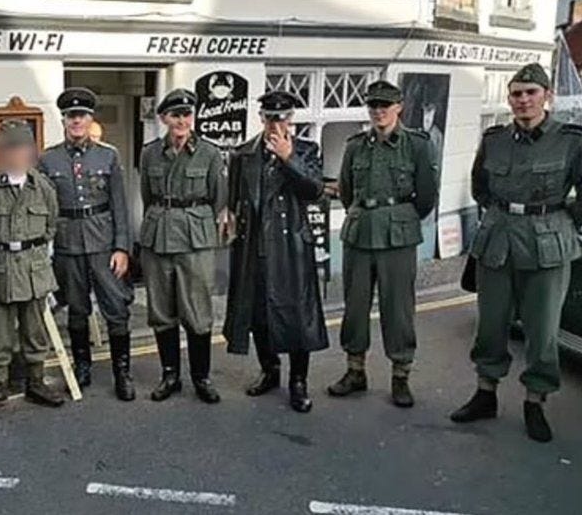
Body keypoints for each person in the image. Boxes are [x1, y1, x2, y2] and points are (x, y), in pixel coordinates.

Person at [450, 63, 582, 443]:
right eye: (516, 94)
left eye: (531, 93)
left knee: (542, 330)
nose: (523, 100)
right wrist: (503, 215)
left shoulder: (571, 140)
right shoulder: (494, 139)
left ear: (547, 97)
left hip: (548, 243)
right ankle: (485, 393)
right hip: (499, 239)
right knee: (491, 323)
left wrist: (561, 220)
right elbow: (481, 187)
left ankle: (535, 401)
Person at [328, 80, 438, 408]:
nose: (378, 111)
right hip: (360, 233)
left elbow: (426, 196)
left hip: (398, 236)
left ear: (399, 107)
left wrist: (398, 219)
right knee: (355, 306)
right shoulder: (355, 146)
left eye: (384, 105)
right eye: (373, 105)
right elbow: (346, 191)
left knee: (398, 308)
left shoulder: (417, 145)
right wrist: (364, 215)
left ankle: (401, 375)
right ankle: (355, 371)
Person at [222, 91, 329, 413]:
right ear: (261, 119)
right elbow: (235, 196)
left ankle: (299, 381)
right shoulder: (243, 153)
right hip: (254, 244)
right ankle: (270, 370)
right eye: (270, 117)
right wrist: (228, 215)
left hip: (291, 246)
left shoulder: (307, 149)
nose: (275, 124)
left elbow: (314, 190)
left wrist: (287, 157)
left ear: (291, 119)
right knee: (257, 314)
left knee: (296, 315)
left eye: (282, 118)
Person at [39, 88, 135, 401]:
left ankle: (123, 371)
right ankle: (83, 366)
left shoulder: (108, 155)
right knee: (77, 309)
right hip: (67, 244)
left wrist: (122, 247)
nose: (76, 121)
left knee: (116, 307)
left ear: (90, 119)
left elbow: (120, 205)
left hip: (104, 244)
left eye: (81, 116)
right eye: (70, 116)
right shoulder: (48, 159)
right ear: (64, 120)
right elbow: (43, 207)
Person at [140, 88, 227, 404]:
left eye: (187, 115)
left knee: (197, 312)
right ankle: (170, 375)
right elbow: (147, 197)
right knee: (161, 311)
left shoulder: (210, 153)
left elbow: (219, 199)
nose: (181, 121)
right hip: (158, 238)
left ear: (194, 118)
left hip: (195, 241)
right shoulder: (149, 153)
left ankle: (201, 377)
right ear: (164, 118)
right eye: (175, 115)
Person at [0, 120, 65, 411]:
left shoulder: (43, 187)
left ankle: (36, 382)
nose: (16, 154)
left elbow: (51, 225)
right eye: (9, 147)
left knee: (34, 331)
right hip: (0, 267)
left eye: (22, 147)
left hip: (34, 268)